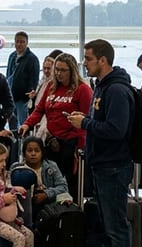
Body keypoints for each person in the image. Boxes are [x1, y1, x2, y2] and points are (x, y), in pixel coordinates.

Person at [66, 38, 135, 247]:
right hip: (102, 164)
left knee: (117, 225)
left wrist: (84, 123)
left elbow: (116, 130)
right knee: (108, 223)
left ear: (103, 60)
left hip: (114, 166)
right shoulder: (102, 87)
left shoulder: (116, 91)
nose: (84, 62)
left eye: (88, 58)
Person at [19, 52, 91, 202]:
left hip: (71, 143)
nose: (58, 73)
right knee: (49, 178)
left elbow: (86, 120)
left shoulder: (82, 89)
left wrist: (81, 147)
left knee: (69, 181)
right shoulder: (51, 86)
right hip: (52, 141)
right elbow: (39, 110)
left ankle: (71, 211)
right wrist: (27, 124)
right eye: (56, 69)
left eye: (63, 70)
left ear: (72, 71)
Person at [18, 136, 70, 218]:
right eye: (29, 150)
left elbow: (63, 187)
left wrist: (46, 194)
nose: (33, 153)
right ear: (24, 153)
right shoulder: (17, 169)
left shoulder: (51, 166)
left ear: (42, 152)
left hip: (50, 207)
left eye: (37, 150)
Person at [7, 31, 39, 131]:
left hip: (23, 100)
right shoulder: (12, 56)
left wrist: (30, 95)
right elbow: (8, 75)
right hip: (12, 98)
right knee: (12, 125)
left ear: (27, 43)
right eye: (17, 42)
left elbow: (34, 79)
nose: (19, 44)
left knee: (23, 125)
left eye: (22, 42)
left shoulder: (32, 59)